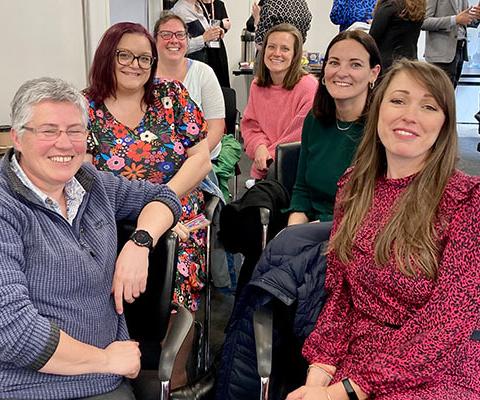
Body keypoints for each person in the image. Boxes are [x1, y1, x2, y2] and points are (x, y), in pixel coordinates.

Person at [287, 59, 480, 400]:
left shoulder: (466, 200)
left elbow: (447, 320)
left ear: (445, 124)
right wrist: (319, 374)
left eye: (428, 106)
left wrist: (344, 391)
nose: (410, 115)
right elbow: (341, 297)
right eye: (398, 100)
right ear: (377, 110)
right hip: (360, 358)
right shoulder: (354, 188)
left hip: (437, 370)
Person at [0, 77, 181, 400]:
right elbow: (12, 330)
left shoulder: (90, 183)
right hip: (30, 387)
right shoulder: (6, 207)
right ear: (17, 137)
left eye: (75, 131)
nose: (64, 144)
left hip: (106, 379)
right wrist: (106, 360)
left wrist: (140, 242)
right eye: (49, 131)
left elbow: (164, 197)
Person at [83, 22, 211, 387]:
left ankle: (173, 377)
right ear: (107, 56)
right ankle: (109, 364)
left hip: (179, 212)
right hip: (111, 216)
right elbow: (83, 179)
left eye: (144, 58)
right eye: (124, 55)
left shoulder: (171, 95)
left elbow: (201, 160)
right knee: (90, 268)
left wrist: (162, 206)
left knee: (179, 263)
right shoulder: (86, 107)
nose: (135, 65)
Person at [287, 30, 381, 225]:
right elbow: (302, 191)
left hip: (358, 231)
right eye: (334, 62)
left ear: (374, 73)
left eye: (355, 64)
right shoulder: (315, 119)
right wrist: (293, 230)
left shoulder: (382, 128)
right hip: (312, 227)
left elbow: (379, 207)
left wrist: (319, 229)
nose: (342, 72)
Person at [241, 23, 318, 180]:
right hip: (265, 166)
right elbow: (251, 126)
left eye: (285, 49)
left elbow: (299, 136)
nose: (276, 53)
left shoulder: (309, 87)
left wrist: (267, 155)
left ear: (295, 54)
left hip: (295, 170)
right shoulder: (257, 85)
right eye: (271, 47)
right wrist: (259, 147)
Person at [422, 0, 480, 88]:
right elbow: (424, 22)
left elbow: (463, 20)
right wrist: (454, 19)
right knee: (440, 93)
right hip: (440, 55)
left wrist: (477, 17)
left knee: (451, 92)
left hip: (460, 50)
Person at [370, 0, 426, 71]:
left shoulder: (390, 6)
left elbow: (372, 38)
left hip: (388, 64)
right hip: (410, 61)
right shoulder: (417, 7)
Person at [200, 0, 232, 87]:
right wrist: (221, 23)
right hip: (203, 49)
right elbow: (202, 27)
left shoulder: (219, 4)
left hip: (218, 48)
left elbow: (226, 26)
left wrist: (222, 28)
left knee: (221, 81)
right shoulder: (197, 5)